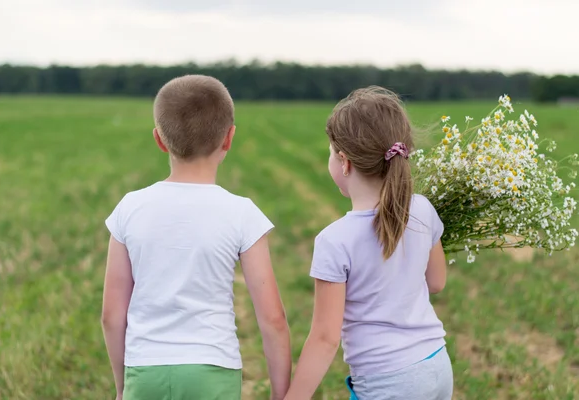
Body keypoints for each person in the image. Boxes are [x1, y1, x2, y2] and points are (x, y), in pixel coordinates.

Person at [101, 75, 291, 400]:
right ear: (229, 138)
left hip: (145, 370)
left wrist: (122, 387)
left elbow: (111, 315)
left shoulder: (129, 208)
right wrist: (280, 393)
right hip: (213, 370)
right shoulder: (241, 213)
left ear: (159, 140)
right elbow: (272, 319)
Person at [284, 86, 453, 400]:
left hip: (388, 382)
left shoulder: (335, 241)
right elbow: (437, 282)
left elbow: (324, 339)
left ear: (344, 162)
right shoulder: (422, 209)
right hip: (437, 366)